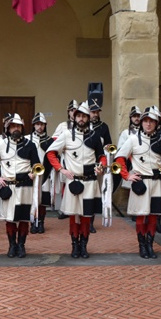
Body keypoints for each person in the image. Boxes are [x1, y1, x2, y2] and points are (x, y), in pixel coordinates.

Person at [45, 101, 107, 259]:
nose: (81, 118)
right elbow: (50, 153)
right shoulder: (66, 135)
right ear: (74, 117)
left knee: (86, 216)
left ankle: (84, 246)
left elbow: (101, 156)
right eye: (78, 115)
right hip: (73, 183)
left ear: (88, 118)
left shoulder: (95, 136)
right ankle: (74, 245)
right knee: (74, 216)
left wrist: (102, 166)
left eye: (84, 116)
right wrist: (61, 169)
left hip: (90, 182)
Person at [114, 106, 161, 259]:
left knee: (154, 216)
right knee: (141, 216)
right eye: (145, 121)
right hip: (141, 183)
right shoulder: (133, 140)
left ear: (156, 123)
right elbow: (119, 158)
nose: (148, 124)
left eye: (151, 121)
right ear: (141, 123)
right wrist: (126, 176)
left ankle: (150, 245)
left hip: (158, 183)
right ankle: (142, 245)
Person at [0, 114, 40, 258]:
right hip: (8, 187)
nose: (15, 128)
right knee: (9, 218)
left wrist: (34, 173)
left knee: (23, 218)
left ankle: (21, 245)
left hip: (25, 187)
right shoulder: (1, 144)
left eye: (18, 126)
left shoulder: (30, 145)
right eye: (13, 126)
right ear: (8, 128)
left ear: (22, 127)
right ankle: (12, 245)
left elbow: (37, 165)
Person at [88, 93, 114, 233]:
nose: (95, 114)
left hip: (99, 163)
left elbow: (109, 144)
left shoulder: (104, 127)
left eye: (97, 111)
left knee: (94, 193)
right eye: (93, 111)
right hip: (85, 163)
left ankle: (91, 222)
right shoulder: (83, 127)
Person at [27, 112, 52, 233]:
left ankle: (41, 222)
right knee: (32, 198)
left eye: (42, 124)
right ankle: (33, 222)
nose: (40, 127)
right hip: (31, 174)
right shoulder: (27, 139)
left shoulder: (50, 141)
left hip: (45, 174)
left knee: (42, 200)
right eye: (37, 124)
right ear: (33, 125)